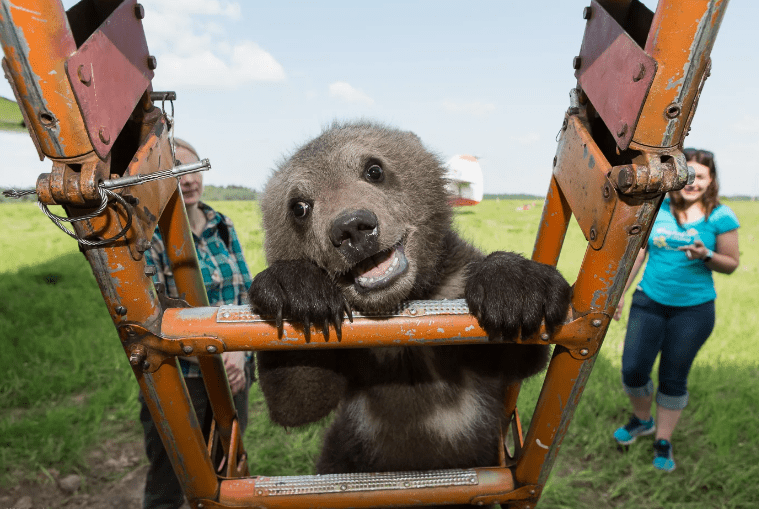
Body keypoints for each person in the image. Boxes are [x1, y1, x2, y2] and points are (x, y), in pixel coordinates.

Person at [139, 138, 253, 509]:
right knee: (170, 474)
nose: (187, 181)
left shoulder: (223, 224)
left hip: (233, 369)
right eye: (177, 172)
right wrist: (212, 352)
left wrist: (239, 352)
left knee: (227, 465)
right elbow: (153, 317)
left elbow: (247, 294)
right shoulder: (149, 238)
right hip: (182, 375)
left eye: (192, 170)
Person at [612, 148, 740, 472]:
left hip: (693, 312)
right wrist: (619, 294)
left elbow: (731, 264)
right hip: (649, 301)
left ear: (711, 181)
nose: (692, 183)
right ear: (678, 177)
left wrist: (705, 254)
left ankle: (663, 441)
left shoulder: (721, 216)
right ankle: (643, 420)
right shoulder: (658, 208)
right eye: (688, 175)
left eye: (701, 177)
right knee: (633, 370)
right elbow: (639, 254)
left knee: (673, 377)